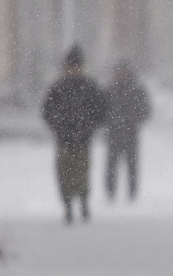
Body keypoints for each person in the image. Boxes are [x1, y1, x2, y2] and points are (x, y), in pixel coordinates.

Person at [41, 45, 107, 224]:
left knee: (82, 172)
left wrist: (89, 127)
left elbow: (101, 110)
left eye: (76, 66)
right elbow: (47, 112)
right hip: (64, 140)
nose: (73, 70)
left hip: (83, 140)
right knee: (64, 174)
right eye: (70, 66)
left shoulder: (89, 87)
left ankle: (83, 202)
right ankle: (68, 205)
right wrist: (60, 127)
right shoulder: (58, 88)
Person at [104, 60, 152, 202]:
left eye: (124, 72)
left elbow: (145, 111)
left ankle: (132, 192)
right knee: (111, 165)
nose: (121, 75)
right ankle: (110, 192)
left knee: (132, 165)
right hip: (113, 134)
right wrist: (110, 121)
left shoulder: (136, 91)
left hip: (131, 133)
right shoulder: (110, 91)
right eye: (119, 72)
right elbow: (101, 110)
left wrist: (133, 118)